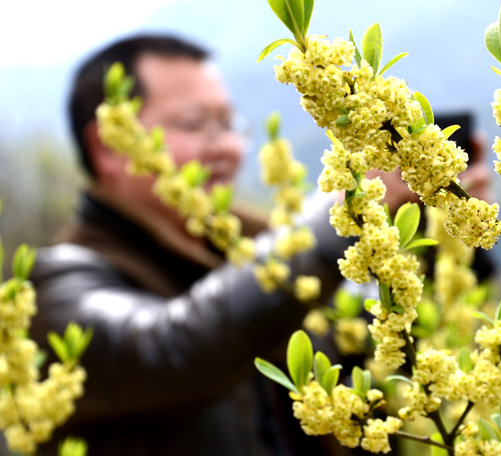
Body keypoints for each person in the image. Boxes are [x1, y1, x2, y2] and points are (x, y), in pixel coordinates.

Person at [28, 34, 366, 456]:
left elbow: (371, 362)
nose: (225, 147)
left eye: (228, 124)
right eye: (192, 124)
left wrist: (436, 235)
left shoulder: (248, 245)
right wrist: (336, 215)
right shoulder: (56, 286)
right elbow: (173, 349)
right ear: (110, 143)